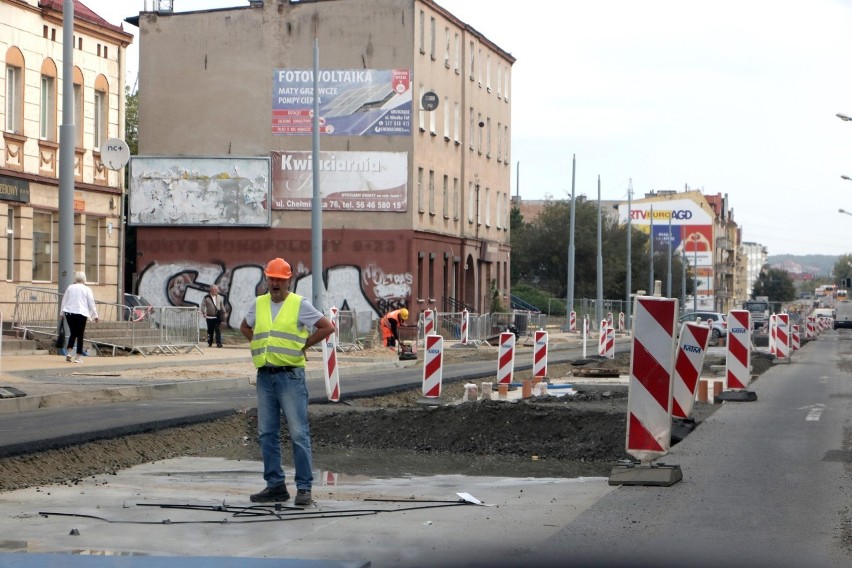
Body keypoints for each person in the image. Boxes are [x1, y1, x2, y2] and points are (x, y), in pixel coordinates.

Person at [240, 257, 334, 506]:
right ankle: (275, 486)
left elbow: (327, 327)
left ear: (288, 280)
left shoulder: (299, 304)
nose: (275, 283)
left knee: (298, 433)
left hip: (290, 376)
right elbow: (245, 327)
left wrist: (303, 346)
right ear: (266, 278)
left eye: (280, 279)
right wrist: (261, 345)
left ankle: (304, 488)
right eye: (272, 278)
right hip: (265, 376)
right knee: (266, 433)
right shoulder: (259, 304)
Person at [60, 271, 99, 363]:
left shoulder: (70, 287)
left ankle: (69, 352)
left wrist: (61, 313)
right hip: (81, 313)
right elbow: (91, 303)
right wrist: (95, 315)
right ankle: (77, 357)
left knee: (73, 333)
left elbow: (64, 300)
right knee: (80, 335)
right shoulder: (87, 289)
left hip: (69, 313)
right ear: (84, 279)